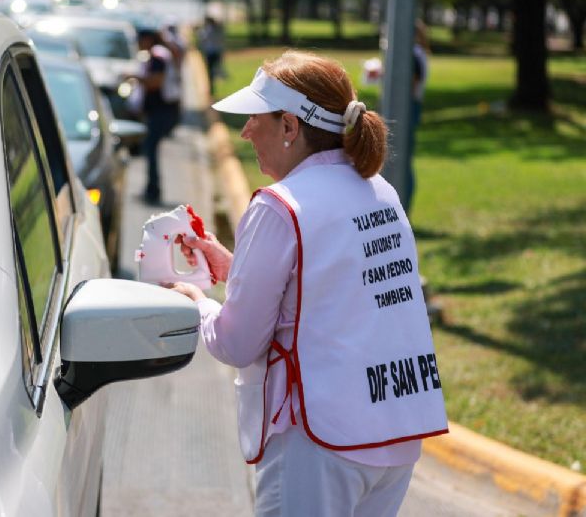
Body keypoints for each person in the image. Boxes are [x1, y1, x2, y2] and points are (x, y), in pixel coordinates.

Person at [167, 50, 448, 516]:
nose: (245, 131)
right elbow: (334, 288)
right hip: (396, 435)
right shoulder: (380, 190)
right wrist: (235, 267)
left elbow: (237, 344)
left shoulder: (280, 206)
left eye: (256, 117)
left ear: (290, 126)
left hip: (320, 442)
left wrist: (197, 303)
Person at [133, 28, 181, 205]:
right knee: (150, 148)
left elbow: (156, 82)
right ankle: (152, 188)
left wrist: (136, 78)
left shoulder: (158, 56)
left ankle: (153, 190)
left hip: (163, 111)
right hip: (161, 110)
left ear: (147, 40)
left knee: (150, 148)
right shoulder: (159, 54)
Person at [405, 19, 430, 215]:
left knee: (403, 161)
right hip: (413, 108)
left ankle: (404, 206)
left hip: (408, 109)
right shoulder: (418, 53)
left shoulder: (412, 54)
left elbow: (411, 84)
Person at [198, 16, 225, 96]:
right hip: (216, 52)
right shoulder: (217, 29)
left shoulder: (208, 29)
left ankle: (212, 89)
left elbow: (202, 39)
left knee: (211, 71)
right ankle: (213, 88)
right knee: (215, 70)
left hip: (211, 53)